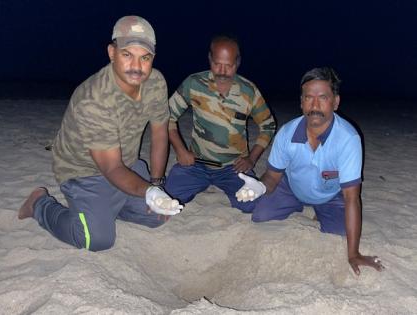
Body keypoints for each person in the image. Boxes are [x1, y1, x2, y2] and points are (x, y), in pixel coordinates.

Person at [18, 15, 182, 252]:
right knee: (95, 240)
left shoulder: (155, 82)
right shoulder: (93, 100)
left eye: (144, 58)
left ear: (152, 59)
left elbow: (159, 133)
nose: (137, 67)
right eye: (127, 55)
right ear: (112, 52)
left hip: (127, 163)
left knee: (157, 217)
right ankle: (38, 205)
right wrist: (148, 191)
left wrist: (156, 184)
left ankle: (112, 206)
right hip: (84, 173)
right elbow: (111, 168)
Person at [236, 67, 384, 275]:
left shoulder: (348, 139)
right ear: (301, 102)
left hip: (329, 195)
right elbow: (272, 176)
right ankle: (300, 205)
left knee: (341, 232)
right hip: (292, 187)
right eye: (309, 98)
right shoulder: (286, 134)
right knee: (260, 216)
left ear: (336, 102)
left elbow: (352, 198)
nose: (315, 105)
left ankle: (319, 210)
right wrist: (259, 187)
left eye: (323, 97)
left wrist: (353, 254)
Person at [164, 35, 276, 213]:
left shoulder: (249, 91)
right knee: (167, 200)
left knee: (253, 205)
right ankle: (197, 184)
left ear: (237, 63)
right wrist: (180, 150)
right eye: (217, 64)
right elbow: (167, 117)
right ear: (210, 59)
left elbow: (268, 126)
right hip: (196, 165)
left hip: (233, 168)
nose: (222, 71)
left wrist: (251, 159)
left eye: (229, 65)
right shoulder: (194, 83)